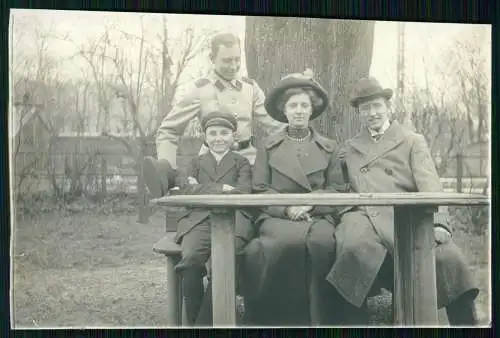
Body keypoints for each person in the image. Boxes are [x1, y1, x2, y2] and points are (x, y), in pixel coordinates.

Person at [325, 76, 480, 325]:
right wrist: (347, 212)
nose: (372, 113)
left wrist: (439, 223)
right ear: (359, 114)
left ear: (387, 107)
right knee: (353, 251)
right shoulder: (350, 148)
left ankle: (468, 326)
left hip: (407, 216)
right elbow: (339, 188)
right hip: (365, 216)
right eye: (365, 108)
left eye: (377, 106)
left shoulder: (412, 140)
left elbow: (430, 185)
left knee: (449, 260)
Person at [241, 70, 347, 326]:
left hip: (317, 215)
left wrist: (310, 202)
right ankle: (276, 319)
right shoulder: (267, 145)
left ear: (312, 110)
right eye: (293, 105)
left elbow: (338, 190)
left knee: (323, 244)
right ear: (284, 111)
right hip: (277, 215)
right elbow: (260, 188)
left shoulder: (329, 146)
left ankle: (321, 319)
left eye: (304, 105)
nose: (299, 111)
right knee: (277, 246)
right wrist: (288, 208)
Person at [145, 33, 285, 197]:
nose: (233, 66)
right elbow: (169, 130)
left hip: (248, 161)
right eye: (226, 60)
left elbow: (276, 125)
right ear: (212, 58)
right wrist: (167, 169)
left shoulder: (250, 87)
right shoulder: (201, 89)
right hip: (211, 165)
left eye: (237, 59)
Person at [152, 106, 254, 326]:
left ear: (233, 136)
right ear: (205, 138)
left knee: (224, 265)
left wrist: (203, 188)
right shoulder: (196, 163)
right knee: (189, 262)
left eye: (224, 133)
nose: (219, 139)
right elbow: (186, 190)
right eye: (213, 134)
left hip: (233, 221)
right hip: (198, 220)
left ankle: (203, 324)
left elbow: (243, 193)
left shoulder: (241, 163)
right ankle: (198, 319)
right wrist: (223, 189)